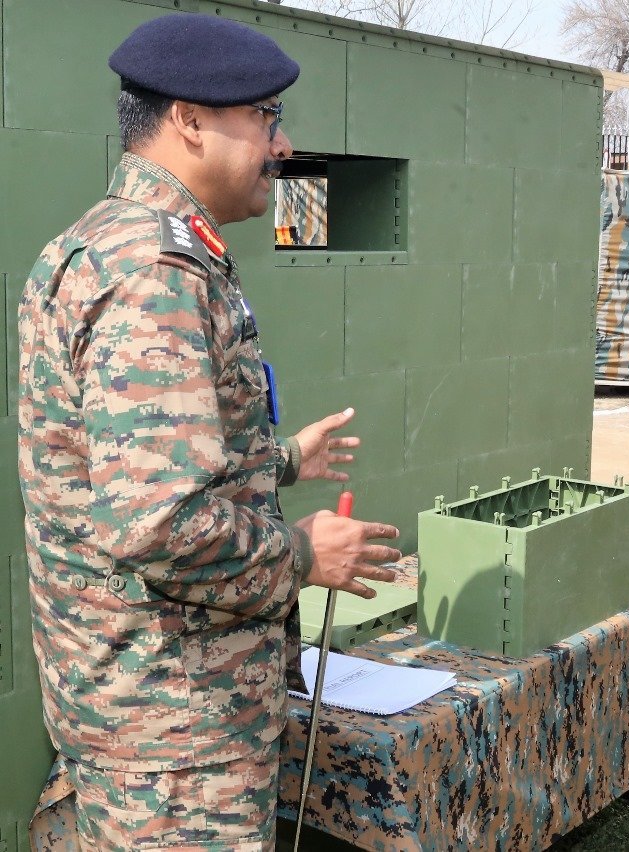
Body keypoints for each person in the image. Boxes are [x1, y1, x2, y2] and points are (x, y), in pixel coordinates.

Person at [16, 14, 402, 848]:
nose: (282, 142)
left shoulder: (98, 244)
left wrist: (280, 458)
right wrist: (303, 556)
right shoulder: (157, 274)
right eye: (265, 116)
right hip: (174, 740)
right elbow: (158, 522)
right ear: (189, 119)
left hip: (134, 712)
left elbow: (122, 465)